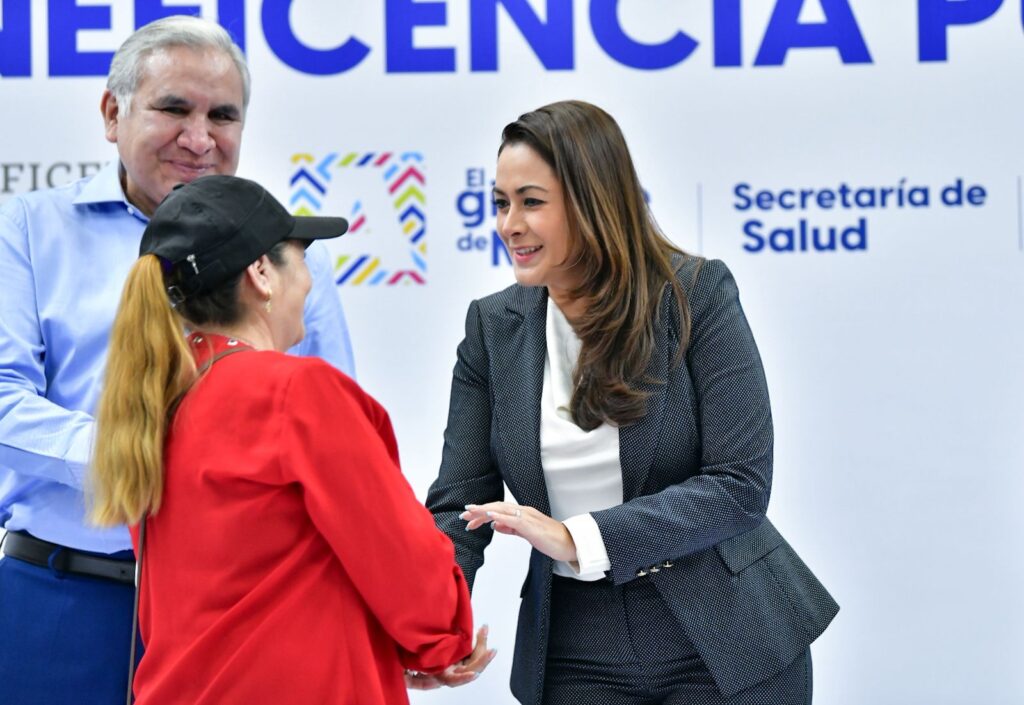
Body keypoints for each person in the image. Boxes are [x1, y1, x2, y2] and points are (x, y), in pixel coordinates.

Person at [426, 100, 840, 705]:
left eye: (531, 202)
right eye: (500, 202)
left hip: (725, 635)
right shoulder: (493, 328)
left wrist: (579, 539)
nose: (509, 224)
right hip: (574, 646)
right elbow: (458, 505)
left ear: (593, 201)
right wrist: (432, 628)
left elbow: (740, 484)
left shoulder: (695, 294)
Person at [0, 16, 354, 704]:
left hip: (239, 612)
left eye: (223, 115)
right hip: (62, 600)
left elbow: (336, 438)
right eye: (174, 108)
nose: (199, 138)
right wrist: (147, 456)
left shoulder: (288, 250)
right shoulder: (28, 230)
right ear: (113, 113)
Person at [89, 174, 477, 704]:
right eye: (302, 255)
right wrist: (439, 642)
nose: (311, 277)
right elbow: (404, 563)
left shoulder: (153, 404)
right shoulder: (296, 392)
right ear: (262, 273)